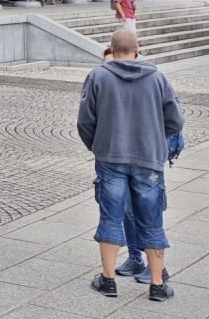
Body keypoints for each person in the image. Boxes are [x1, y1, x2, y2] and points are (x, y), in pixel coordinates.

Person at [77, 26, 182, 301]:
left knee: (111, 217)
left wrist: (97, 145)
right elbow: (175, 121)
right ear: (137, 49)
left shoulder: (97, 76)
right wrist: (154, 139)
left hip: (110, 157)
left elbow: (85, 121)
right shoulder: (158, 78)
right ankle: (157, 285)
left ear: (110, 50)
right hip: (148, 159)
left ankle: (108, 280)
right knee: (152, 219)